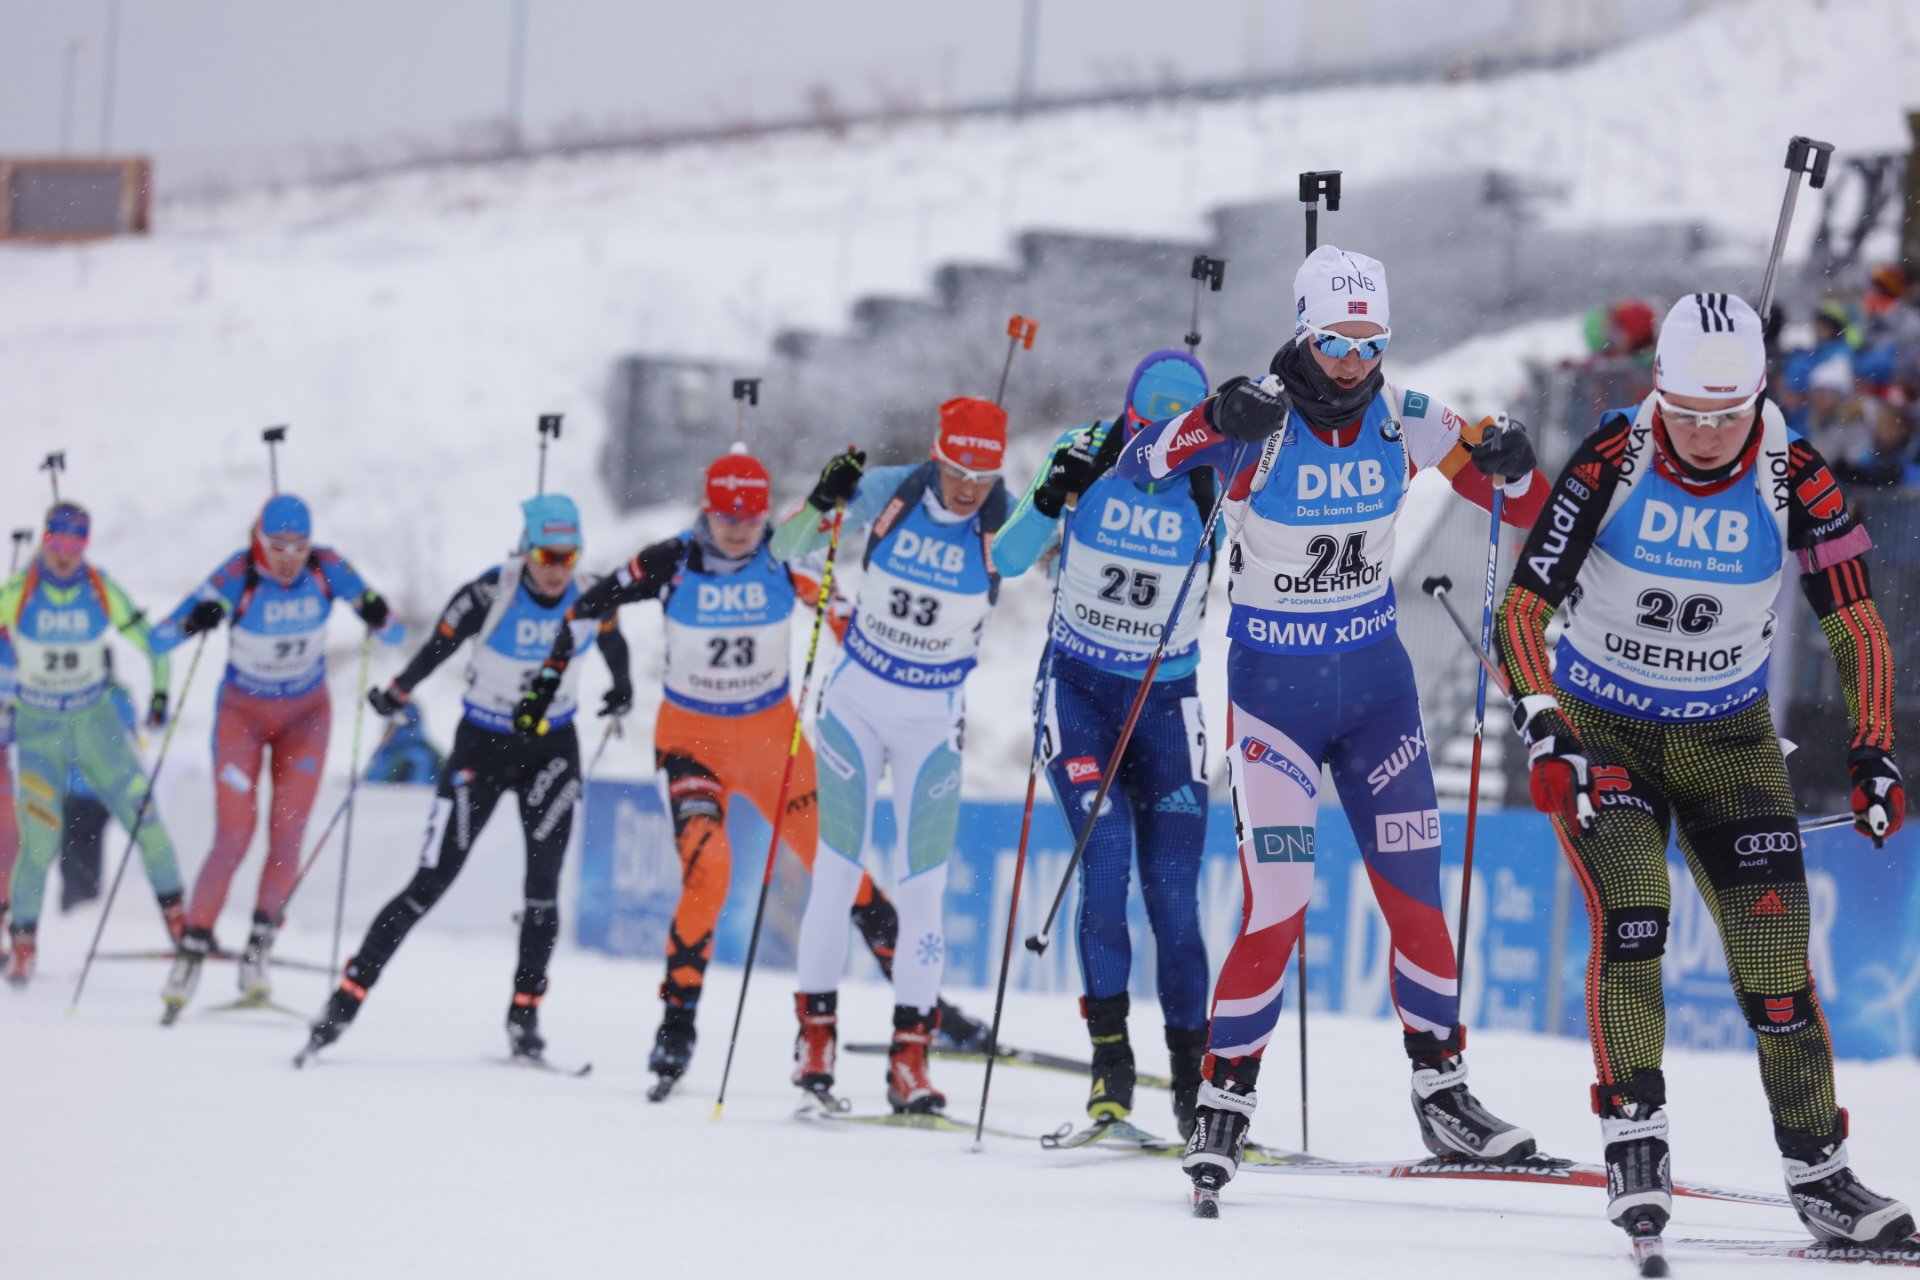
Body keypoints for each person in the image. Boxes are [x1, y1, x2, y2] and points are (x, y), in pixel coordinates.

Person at [1112, 245, 1548, 1203]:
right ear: (1305, 332)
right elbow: (1139, 465)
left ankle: (1443, 1094)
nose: (1353, 362)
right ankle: (1224, 1103)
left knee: (1417, 897)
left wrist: (1513, 461)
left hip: (1377, 694)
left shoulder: (1409, 417)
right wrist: (1209, 419)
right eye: (1336, 342)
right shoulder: (1258, 422)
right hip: (1275, 698)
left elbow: (1521, 503)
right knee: (1279, 901)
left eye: (1370, 342)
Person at [1494, 292, 1914, 1250]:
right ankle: (1634, 1138)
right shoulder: (1612, 457)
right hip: (1605, 730)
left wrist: (1873, 749)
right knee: (1636, 914)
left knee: (1775, 968)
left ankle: (1821, 1173)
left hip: (1728, 740)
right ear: (1658, 389)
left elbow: (1855, 621)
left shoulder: (1794, 471)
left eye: (1728, 415)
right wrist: (1546, 726)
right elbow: (1521, 611)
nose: (1708, 434)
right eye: (1687, 412)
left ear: (1760, 396)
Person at [518, 446, 982, 1094]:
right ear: (706, 510)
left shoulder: (785, 558)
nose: (738, 530)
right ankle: (676, 1026)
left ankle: (930, 1011)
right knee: (709, 870)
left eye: (750, 517)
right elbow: (586, 607)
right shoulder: (672, 560)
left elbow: (853, 627)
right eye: (725, 516)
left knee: (842, 873)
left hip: (774, 748)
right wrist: (549, 681)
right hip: (692, 746)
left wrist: (903, 689)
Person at [299, 495, 630, 1063]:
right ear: (526, 550)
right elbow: (438, 647)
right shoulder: (489, 592)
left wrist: (622, 689)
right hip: (484, 745)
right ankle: (345, 1001)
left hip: (552, 750)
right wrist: (397, 691)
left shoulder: (590, 593)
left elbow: (614, 643)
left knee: (543, 890)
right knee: (430, 881)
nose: (557, 569)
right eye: (547, 556)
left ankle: (524, 1018)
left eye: (568, 556)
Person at [991, 349, 1220, 1136]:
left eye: (1172, 435)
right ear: (1127, 414)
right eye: (1142, 428)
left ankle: (1193, 1079)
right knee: (1107, 856)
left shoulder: (1214, 471)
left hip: (1168, 703)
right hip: (1080, 690)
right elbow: (1008, 557)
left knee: (1176, 901)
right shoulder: (1084, 452)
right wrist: (1048, 496)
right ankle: (1111, 1062)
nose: (1155, 448)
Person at [774, 397, 1014, 1113]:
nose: (968, 488)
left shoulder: (1005, 517)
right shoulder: (891, 490)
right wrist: (823, 499)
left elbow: (1062, 559)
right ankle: (815, 1037)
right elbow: (786, 548)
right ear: (937, 454)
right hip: (856, 706)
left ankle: (911, 1057)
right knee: (836, 874)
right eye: (958, 470)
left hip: (931, 721)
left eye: (983, 475)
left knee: (923, 890)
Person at [151, 494, 396, 1016]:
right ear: (258, 539)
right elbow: (157, 640)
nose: (288, 558)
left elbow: (395, 628)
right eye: (277, 546)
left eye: (298, 547)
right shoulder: (237, 574)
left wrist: (375, 610)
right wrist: (195, 621)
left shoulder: (327, 568)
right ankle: (191, 953)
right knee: (234, 835)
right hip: (242, 716)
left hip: (305, 718)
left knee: (287, 835)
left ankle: (257, 953)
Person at [0, 503, 184, 985]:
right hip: (39, 731)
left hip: (96, 725)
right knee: (40, 843)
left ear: (86, 544)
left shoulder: (100, 588)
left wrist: (160, 696)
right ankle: (23, 944)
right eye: (56, 542)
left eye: (75, 544)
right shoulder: (18, 592)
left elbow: (153, 644)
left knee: (147, 820)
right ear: (45, 540)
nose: (65, 554)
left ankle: (182, 928)